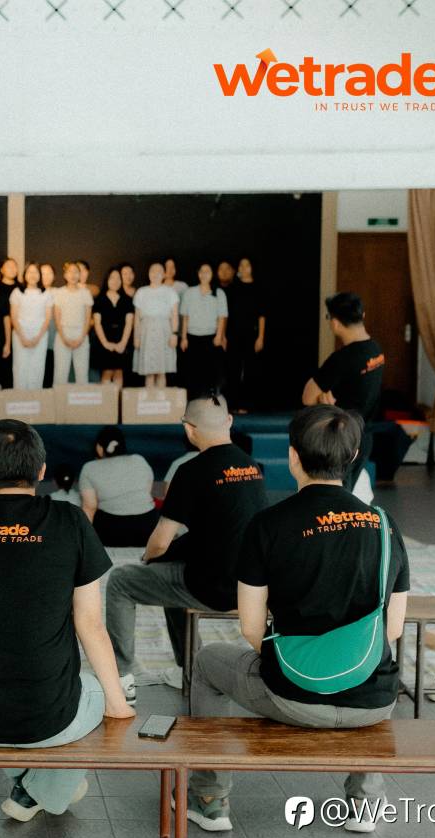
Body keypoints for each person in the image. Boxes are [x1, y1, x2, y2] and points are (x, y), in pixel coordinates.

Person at [185, 405, 408, 835]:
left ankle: (210, 798)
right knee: (377, 660)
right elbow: (392, 629)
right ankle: (365, 804)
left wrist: (300, 666)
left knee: (207, 661)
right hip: (372, 702)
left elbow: (251, 628)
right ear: (353, 456)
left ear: (292, 456)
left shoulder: (267, 525)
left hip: (292, 695)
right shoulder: (385, 525)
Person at [0, 421, 133, 821]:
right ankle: (41, 788)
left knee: (32, 697)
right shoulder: (70, 521)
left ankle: (40, 784)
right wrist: (118, 704)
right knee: (102, 691)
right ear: (41, 470)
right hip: (43, 717)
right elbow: (90, 625)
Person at [104, 395, 269, 702]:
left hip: (212, 589)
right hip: (252, 585)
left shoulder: (191, 470)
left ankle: (122, 676)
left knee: (120, 581)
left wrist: (147, 557)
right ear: (229, 421)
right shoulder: (252, 467)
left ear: (189, 430)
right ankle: (188, 666)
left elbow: (160, 541)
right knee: (168, 571)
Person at [302, 292, 383, 492]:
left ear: (335, 323)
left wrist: (325, 404)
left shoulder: (341, 359)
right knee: (346, 493)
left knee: (338, 494)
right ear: (362, 315)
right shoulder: (377, 350)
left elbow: (307, 397)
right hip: (364, 436)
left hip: (343, 439)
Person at [78, 426, 160, 547]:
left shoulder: (89, 468)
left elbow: (89, 508)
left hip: (112, 532)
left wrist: (84, 540)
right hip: (148, 529)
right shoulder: (139, 460)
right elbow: (147, 492)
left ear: (99, 448)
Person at [178, 263, 229, 398]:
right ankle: (194, 399)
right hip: (192, 336)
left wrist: (219, 336)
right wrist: (184, 338)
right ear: (198, 274)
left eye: (208, 271)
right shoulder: (189, 292)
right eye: (202, 271)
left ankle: (210, 399)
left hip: (211, 337)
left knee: (211, 370)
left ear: (212, 274)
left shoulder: (219, 293)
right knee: (193, 369)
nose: (204, 274)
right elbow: (185, 316)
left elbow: (222, 316)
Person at [224, 257, 266, 412]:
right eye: (241, 265)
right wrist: (224, 335)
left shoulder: (258, 288)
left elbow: (262, 315)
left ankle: (246, 405)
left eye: (247, 265)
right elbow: (226, 314)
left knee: (250, 370)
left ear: (252, 268)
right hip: (233, 333)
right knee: (233, 369)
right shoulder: (233, 288)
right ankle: (233, 404)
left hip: (251, 334)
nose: (243, 268)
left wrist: (260, 337)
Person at [131, 263, 179, 387]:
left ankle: (161, 398)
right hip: (146, 332)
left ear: (163, 275)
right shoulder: (141, 292)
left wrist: (174, 334)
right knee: (149, 372)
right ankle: (150, 398)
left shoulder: (170, 292)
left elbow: (174, 315)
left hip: (164, 332)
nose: (155, 274)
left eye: (159, 272)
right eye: (152, 271)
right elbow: (137, 318)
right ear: (148, 274)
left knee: (161, 372)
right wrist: (136, 337)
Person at [10, 263, 52, 390]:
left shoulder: (46, 293)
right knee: (20, 367)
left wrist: (38, 338)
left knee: (37, 368)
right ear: (24, 275)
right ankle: (20, 398)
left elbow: (47, 318)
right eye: (29, 272)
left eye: (36, 272)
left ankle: (35, 399)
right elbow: (14, 317)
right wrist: (22, 337)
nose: (33, 275)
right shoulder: (17, 292)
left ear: (40, 275)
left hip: (40, 336)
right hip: (20, 335)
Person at [52, 261, 94, 385]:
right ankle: (59, 398)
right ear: (65, 275)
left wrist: (81, 338)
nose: (73, 275)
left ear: (80, 275)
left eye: (76, 272)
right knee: (60, 374)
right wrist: (64, 338)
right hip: (62, 334)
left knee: (82, 375)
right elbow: (57, 318)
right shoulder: (59, 292)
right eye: (70, 272)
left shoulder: (85, 293)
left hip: (81, 334)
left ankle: (81, 398)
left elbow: (88, 318)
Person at [92, 266, 135, 386]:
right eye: (112, 278)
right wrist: (105, 343)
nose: (115, 281)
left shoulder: (127, 300)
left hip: (122, 338)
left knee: (119, 372)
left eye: (118, 278)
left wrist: (123, 343)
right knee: (107, 372)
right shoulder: (99, 299)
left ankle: (118, 398)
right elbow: (97, 323)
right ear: (107, 280)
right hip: (104, 338)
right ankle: (107, 398)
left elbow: (129, 323)